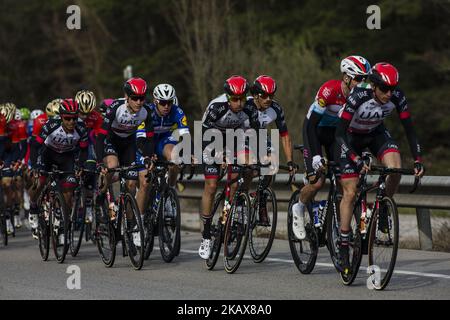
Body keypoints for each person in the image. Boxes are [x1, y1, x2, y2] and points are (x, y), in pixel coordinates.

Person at [335, 62, 425, 272]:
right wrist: (355, 158)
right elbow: (338, 133)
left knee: (395, 168)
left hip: (375, 134)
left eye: (393, 88)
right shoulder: (358, 96)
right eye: (384, 89)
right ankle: (343, 243)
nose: (389, 93)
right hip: (349, 138)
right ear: (373, 85)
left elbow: (410, 130)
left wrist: (418, 159)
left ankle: (383, 205)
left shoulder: (397, 96)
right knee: (350, 191)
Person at [292, 55, 371, 240]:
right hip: (316, 131)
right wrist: (315, 157)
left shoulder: (361, 97)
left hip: (337, 135)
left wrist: (364, 151)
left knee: (345, 182)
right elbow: (311, 125)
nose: (363, 83)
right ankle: (300, 206)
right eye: (359, 78)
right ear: (346, 77)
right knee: (318, 182)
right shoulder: (329, 90)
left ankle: (338, 227)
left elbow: (361, 128)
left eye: (365, 79)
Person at [198, 75, 260, 259]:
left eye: (242, 98)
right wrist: (217, 154)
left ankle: (237, 208)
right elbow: (205, 134)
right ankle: (207, 235)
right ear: (227, 97)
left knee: (247, 165)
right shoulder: (216, 107)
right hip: (212, 138)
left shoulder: (250, 107)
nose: (239, 102)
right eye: (235, 99)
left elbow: (256, 132)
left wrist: (260, 156)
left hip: (235, 138)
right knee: (210, 185)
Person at [95, 77, 155, 247]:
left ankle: (131, 226)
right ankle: (102, 193)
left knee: (131, 184)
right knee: (112, 167)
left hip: (129, 144)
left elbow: (149, 138)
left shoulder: (146, 111)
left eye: (142, 98)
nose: (138, 102)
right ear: (126, 96)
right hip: (111, 142)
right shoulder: (115, 108)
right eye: (135, 98)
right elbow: (100, 136)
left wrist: (149, 156)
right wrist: (100, 163)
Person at [29, 99, 89, 245]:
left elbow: (84, 149)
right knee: (40, 181)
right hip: (47, 155)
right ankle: (33, 207)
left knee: (69, 191)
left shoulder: (81, 128)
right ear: (61, 117)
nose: (71, 122)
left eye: (74, 118)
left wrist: (80, 165)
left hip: (67, 157)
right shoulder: (51, 125)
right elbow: (35, 145)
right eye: (67, 118)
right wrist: (36, 165)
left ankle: (62, 227)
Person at [135, 83, 190, 217]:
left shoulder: (177, 111)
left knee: (175, 157)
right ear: (155, 101)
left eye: (169, 102)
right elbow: (140, 140)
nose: (166, 106)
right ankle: (140, 222)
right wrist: (148, 155)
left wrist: (190, 154)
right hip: (146, 141)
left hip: (163, 140)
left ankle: (168, 193)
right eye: (163, 102)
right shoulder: (146, 112)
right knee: (145, 182)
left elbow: (186, 136)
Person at [75, 90, 102, 223]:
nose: (85, 116)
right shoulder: (71, 115)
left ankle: (89, 203)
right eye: (82, 113)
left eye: (88, 113)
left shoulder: (96, 117)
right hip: (73, 143)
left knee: (91, 169)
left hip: (89, 144)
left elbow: (99, 138)